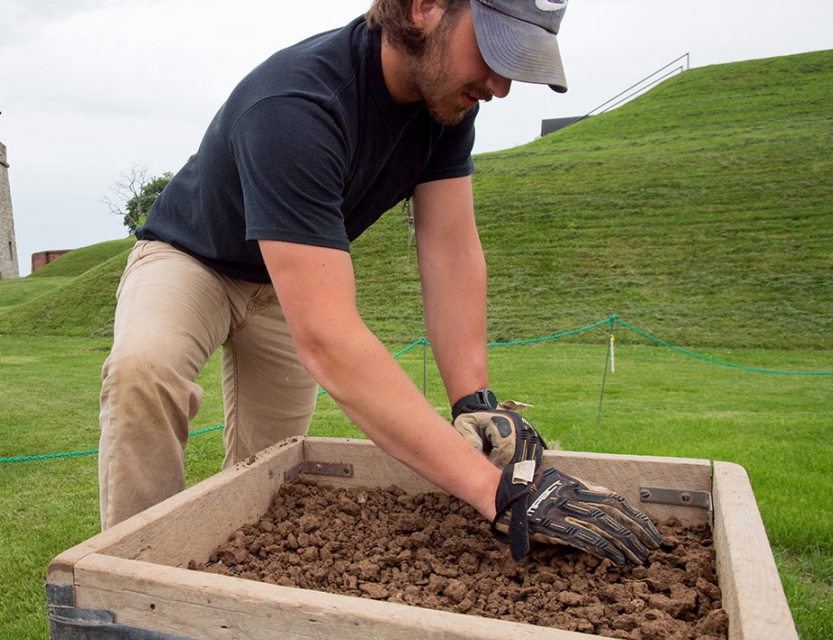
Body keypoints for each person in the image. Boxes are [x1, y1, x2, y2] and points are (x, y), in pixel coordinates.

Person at [98, 0, 663, 565]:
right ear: (425, 8)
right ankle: (129, 584)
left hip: (285, 283)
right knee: (143, 371)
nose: (501, 85)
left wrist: (475, 400)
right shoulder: (298, 103)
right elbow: (329, 341)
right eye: (494, 49)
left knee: (267, 476)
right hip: (193, 258)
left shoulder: (445, 106)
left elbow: (450, 249)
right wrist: (503, 494)